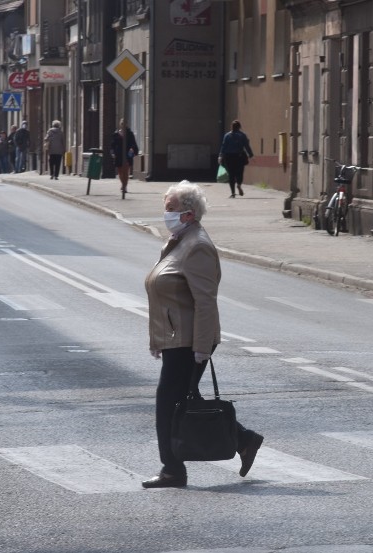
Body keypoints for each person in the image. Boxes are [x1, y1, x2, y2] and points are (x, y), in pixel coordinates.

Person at [142, 181, 264, 489]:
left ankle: (172, 470)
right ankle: (244, 440)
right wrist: (158, 340)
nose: (165, 213)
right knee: (183, 404)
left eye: (170, 209)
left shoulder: (197, 246)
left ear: (188, 213)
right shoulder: (179, 240)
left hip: (188, 341)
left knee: (168, 406)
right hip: (175, 339)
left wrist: (201, 348)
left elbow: (205, 301)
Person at [218, 120, 254, 198]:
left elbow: (223, 146)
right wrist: (251, 155)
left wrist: (220, 156)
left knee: (231, 175)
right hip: (239, 157)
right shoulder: (242, 135)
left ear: (232, 127)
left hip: (229, 157)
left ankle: (233, 193)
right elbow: (246, 146)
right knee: (239, 173)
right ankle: (238, 184)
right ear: (239, 127)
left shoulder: (227, 135)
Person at [110, 118, 139, 194]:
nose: (123, 125)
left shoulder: (130, 133)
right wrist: (112, 152)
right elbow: (112, 145)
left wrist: (132, 149)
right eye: (122, 123)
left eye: (124, 123)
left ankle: (124, 186)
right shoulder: (116, 134)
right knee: (120, 171)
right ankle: (123, 184)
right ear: (120, 124)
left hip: (127, 154)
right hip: (118, 155)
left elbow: (133, 143)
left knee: (126, 171)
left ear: (126, 124)